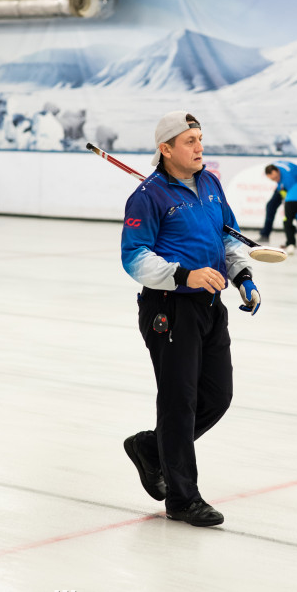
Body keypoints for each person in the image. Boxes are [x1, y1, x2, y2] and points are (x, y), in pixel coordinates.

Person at [121, 111, 261, 528]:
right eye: (189, 141)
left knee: (217, 396)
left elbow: (227, 236)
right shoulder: (147, 196)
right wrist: (184, 274)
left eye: (200, 138)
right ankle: (183, 499)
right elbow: (135, 258)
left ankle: (151, 448)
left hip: (211, 305)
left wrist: (243, 277)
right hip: (170, 308)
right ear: (165, 150)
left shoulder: (212, 184)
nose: (199, 147)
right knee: (178, 403)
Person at [259, 162, 297, 243]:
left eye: (276, 177)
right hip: (285, 184)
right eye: (273, 179)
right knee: (271, 206)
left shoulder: (288, 178)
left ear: (278, 171)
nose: (275, 180)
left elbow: (292, 197)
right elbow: (280, 185)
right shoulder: (275, 167)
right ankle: (265, 235)